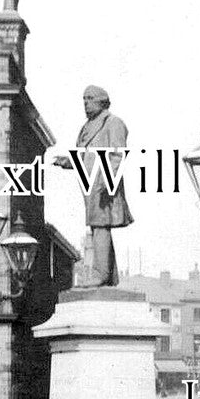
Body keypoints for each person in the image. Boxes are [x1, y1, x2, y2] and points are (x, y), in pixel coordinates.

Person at [54, 85, 133, 287]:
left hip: (103, 185)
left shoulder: (113, 123)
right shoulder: (87, 127)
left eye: (90, 98)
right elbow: (83, 156)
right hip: (90, 185)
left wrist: (108, 182)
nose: (86, 103)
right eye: (84, 99)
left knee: (100, 226)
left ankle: (101, 274)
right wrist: (68, 161)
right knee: (99, 226)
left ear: (102, 101)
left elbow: (117, 155)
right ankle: (109, 277)